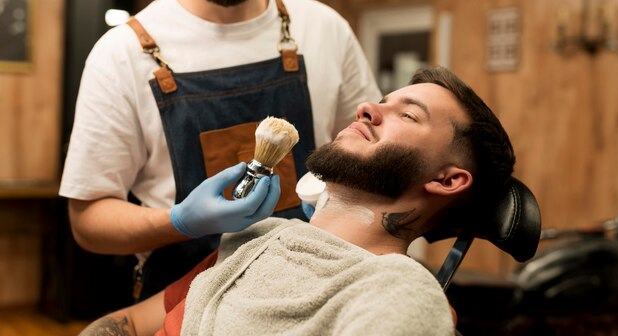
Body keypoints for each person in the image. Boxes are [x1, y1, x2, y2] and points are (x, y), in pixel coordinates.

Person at [59, 0, 381, 300]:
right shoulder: (120, 55)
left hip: (318, 295)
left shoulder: (325, 29)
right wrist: (180, 221)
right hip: (183, 306)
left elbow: (373, 162)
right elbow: (88, 221)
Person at [77, 67, 516, 336]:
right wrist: (179, 221)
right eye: (382, 100)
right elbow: (129, 325)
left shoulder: (397, 293)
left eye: (407, 114)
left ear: (449, 179)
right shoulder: (256, 237)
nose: (366, 108)